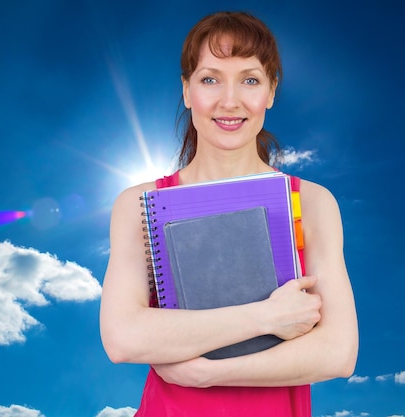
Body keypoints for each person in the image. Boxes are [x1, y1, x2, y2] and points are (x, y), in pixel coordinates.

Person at [99, 11, 358, 417]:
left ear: (271, 92)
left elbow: (338, 353)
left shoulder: (313, 202)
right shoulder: (139, 204)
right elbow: (123, 337)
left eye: (250, 80)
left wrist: (208, 373)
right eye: (210, 79)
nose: (230, 100)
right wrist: (268, 316)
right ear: (186, 91)